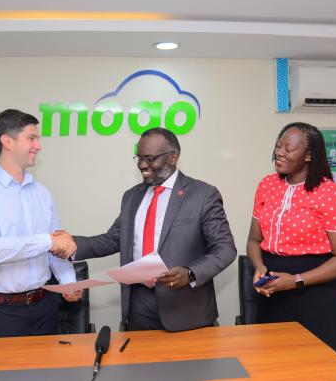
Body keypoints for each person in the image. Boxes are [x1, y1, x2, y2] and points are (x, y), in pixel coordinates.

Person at [54, 127, 236, 332]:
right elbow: (115, 238)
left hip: (186, 307)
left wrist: (190, 274)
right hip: (138, 305)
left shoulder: (203, 195)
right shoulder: (132, 196)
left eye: (150, 159)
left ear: (173, 157)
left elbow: (225, 248)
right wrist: (74, 244)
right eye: (139, 158)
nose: (142, 165)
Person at [0, 109, 80, 338]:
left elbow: (55, 248)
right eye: (31, 138)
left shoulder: (42, 193)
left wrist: (68, 281)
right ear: (7, 141)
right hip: (1, 313)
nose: (38, 145)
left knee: (49, 374)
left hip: (45, 306)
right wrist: (48, 241)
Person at [246, 122, 336, 364]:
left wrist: (296, 280)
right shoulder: (267, 185)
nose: (280, 152)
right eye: (278, 146)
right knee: (275, 365)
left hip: (316, 292)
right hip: (273, 291)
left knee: (320, 367)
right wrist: (259, 267)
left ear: (308, 155)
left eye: (289, 148)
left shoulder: (330, 192)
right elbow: (254, 240)